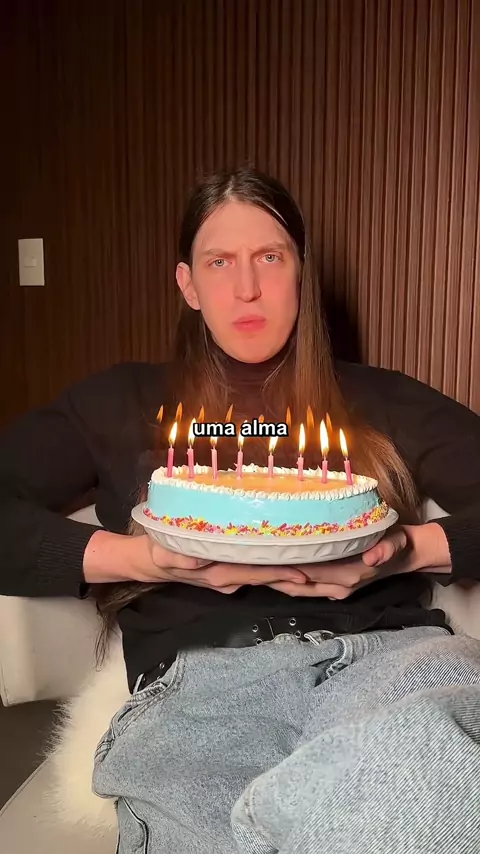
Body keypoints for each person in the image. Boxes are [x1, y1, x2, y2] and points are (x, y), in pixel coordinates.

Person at [1, 166, 480, 854]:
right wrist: (138, 559)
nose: (247, 287)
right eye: (219, 262)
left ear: (300, 273)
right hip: (202, 691)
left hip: (394, 665)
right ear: (188, 285)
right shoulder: (119, 404)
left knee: (421, 776)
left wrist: (405, 551)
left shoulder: (386, 400)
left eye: (270, 258)